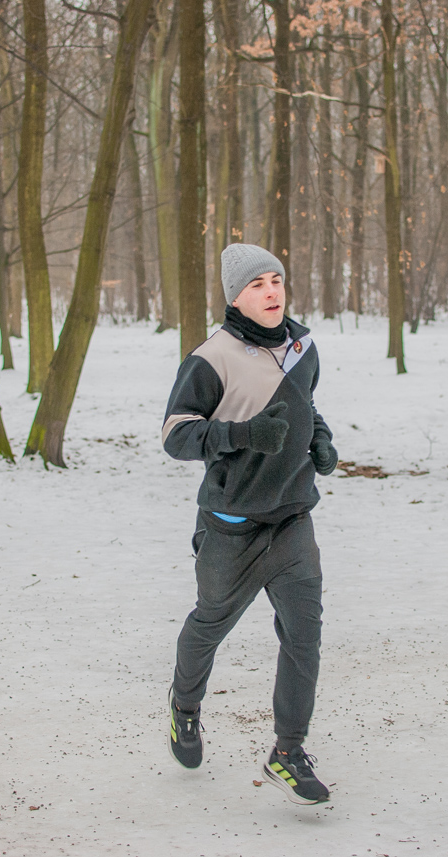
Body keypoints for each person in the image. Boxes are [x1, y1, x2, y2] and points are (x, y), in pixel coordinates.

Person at [161, 243, 339, 805]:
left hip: (291, 520)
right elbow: (176, 434)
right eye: (257, 283)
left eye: (277, 279)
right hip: (231, 527)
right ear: (235, 295)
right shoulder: (211, 358)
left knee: (303, 638)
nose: (271, 291)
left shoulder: (302, 346)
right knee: (210, 623)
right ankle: (184, 707)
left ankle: (288, 750)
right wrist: (241, 435)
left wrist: (321, 438)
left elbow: (307, 405)